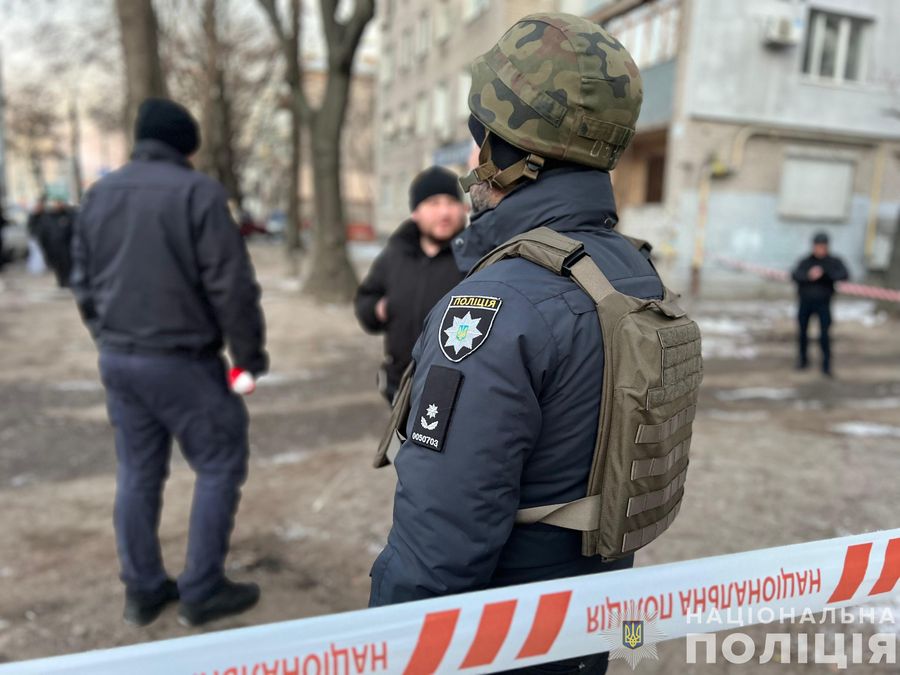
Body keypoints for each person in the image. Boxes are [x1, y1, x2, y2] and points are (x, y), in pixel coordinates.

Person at [369, 14, 672, 674]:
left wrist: (388, 649)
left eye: (479, 138)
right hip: (585, 620)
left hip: (502, 641)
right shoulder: (629, 271)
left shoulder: (499, 306)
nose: (472, 160)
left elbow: (438, 547)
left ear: (505, 150)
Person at [71, 98, 268, 627]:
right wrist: (248, 358)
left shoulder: (99, 195)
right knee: (220, 463)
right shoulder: (199, 193)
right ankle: (202, 589)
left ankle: (142, 590)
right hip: (183, 361)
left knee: (137, 471)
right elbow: (231, 286)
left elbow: (82, 280)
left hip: (120, 360)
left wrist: (107, 336)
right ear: (186, 146)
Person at [354, 167, 466, 401]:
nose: (444, 212)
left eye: (451, 202)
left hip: (455, 389)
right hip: (400, 385)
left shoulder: (474, 256)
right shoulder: (396, 253)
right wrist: (377, 309)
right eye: (434, 203)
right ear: (416, 212)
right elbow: (366, 298)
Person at [791, 232, 849, 376]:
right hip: (805, 303)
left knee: (824, 334)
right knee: (802, 333)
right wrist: (809, 275)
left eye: (823, 246)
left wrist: (825, 275)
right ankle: (803, 360)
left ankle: (826, 364)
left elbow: (844, 275)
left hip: (823, 303)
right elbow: (795, 275)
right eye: (818, 246)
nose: (820, 249)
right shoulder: (806, 261)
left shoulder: (833, 261)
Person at [39, 195, 76, 287]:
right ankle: (61, 281)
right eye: (56, 203)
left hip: (67, 247)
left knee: (68, 265)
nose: (58, 205)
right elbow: (43, 234)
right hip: (53, 247)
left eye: (59, 202)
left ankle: (68, 281)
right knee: (58, 266)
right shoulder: (47, 217)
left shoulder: (68, 215)